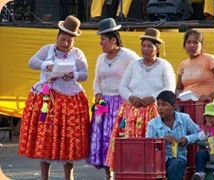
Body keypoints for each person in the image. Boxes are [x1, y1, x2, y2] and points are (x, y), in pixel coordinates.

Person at [18, 15, 90, 180]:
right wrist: (47, 65)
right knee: (46, 137)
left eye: (69, 41)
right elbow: (32, 62)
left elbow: (85, 75)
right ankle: (44, 176)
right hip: (48, 99)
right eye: (63, 39)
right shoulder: (48, 49)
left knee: (68, 138)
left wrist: (74, 74)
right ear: (57, 36)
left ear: (74, 41)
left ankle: (68, 176)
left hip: (70, 99)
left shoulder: (78, 54)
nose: (65, 44)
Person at [105, 28, 176, 170]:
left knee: (152, 146)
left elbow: (169, 87)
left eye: (150, 46)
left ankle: (152, 171)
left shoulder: (164, 66)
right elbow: (122, 87)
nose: (146, 49)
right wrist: (131, 97)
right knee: (130, 146)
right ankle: (130, 172)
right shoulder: (134, 65)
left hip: (154, 112)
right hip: (132, 111)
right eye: (144, 45)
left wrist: (154, 98)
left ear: (157, 48)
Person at [87, 18, 139, 180]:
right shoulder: (101, 59)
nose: (100, 43)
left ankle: (122, 173)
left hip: (122, 104)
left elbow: (138, 75)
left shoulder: (129, 56)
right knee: (104, 139)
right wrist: (98, 94)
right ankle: (109, 174)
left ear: (113, 39)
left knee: (118, 138)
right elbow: (97, 80)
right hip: (104, 105)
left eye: (103, 39)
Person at [146, 90, 200, 180]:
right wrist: (162, 140)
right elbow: (149, 148)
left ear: (174, 106)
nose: (159, 108)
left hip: (179, 158)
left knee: (177, 164)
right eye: (158, 104)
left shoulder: (184, 118)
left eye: (164, 105)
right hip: (159, 161)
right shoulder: (152, 124)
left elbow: (200, 133)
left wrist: (187, 139)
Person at [176, 29, 214, 103]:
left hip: (205, 107)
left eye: (196, 42)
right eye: (188, 42)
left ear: (201, 45)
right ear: (184, 45)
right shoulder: (183, 64)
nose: (191, 45)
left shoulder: (209, 59)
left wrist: (210, 96)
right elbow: (179, 88)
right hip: (187, 106)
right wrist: (179, 95)